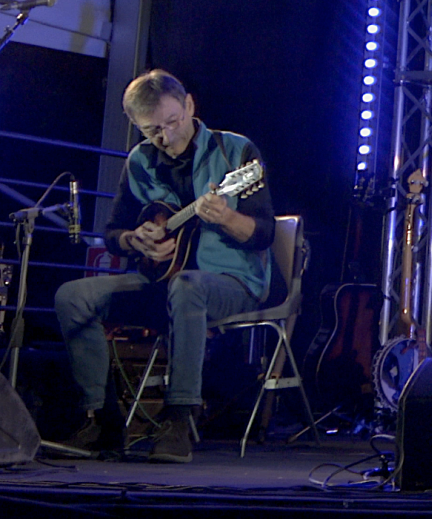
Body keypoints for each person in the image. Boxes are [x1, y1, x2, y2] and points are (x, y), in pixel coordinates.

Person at [53, 70, 275, 463]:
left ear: (189, 104)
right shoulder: (139, 161)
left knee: (187, 286)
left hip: (232, 281)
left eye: (173, 122)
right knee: (72, 296)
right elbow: (113, 232)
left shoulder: (235, 152)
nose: (166, 138)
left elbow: (264, 235)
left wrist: (226, 217)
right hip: (160, 281)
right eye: (152, 130)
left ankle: (178, 419)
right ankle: (102, 421)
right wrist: (132, 239)